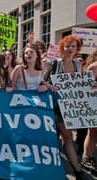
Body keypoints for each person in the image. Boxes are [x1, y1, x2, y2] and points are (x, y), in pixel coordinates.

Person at [43, 35, 87, 180]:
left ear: (77, 49)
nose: (70, 49)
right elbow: (41, 81)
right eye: (67, 46)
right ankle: (64, 170)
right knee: (58, 136)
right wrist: (51, 86)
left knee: (67, 137)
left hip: (69, 106)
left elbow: (79, 84)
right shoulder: (53, 63)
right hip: (53, 105)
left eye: (73, 46)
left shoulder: (77, 65)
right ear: (62, 47)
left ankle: (76, 170)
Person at [80, 53, 97, 173]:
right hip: (94, 103)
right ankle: (86, 158)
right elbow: (84, 86)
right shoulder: (93, 67)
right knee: (92, 132)